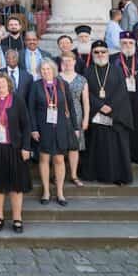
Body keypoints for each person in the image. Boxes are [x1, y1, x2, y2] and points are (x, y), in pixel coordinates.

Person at [81, 40, 134, 185]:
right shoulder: (87, 71)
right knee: (97, 146)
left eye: (103, 52)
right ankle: (95, 174)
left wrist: (110, 106)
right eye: (96, 52)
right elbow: (85, 93)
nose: (100, 54)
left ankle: (117, 176)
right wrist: (99, 106)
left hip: (115, 115)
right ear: (92, 54)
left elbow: (122, 91)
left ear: (108, 53)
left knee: (116, 147)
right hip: (96, 115)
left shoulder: (117, 70)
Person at [0, 73, 32, 232]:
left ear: (9, 83)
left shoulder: (17, 100)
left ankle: (17, 218)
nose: (0, 85)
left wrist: (26, 147)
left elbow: (26, 125)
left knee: (15, 185)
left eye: (3, 82)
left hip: (14, 148)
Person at [29, 59, 78, 206]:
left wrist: (75, 127)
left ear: (53, 70)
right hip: (43, 128)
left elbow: (71, 106)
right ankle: (46, 192)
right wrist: (33, 129)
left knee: (59, 160)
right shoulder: (36, 86)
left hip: (61, 127)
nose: (46, 72)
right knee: (44, 159)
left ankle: (60, 193)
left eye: (48, 69)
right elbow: (31, 109)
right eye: (43, 69)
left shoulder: (63, 84)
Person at [115, 31, 138, 164]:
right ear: (120, 44)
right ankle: (122, 157)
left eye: (130, 43)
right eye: (124, 43)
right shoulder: (113, 61)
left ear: (135, 44)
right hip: (119, 103)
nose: (128, 45)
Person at [58, 52, 89, 187]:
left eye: (70, 60)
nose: (67, 63)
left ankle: (74, 175)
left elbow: (86, 101)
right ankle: (57, 175)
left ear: (75, 62)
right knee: (59, 146)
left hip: (77, 115)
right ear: (61, 63)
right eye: (64, 61)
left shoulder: (82, 79)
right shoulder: (56, 78)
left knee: (74, 146)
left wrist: (86, 119)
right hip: (59, 114)